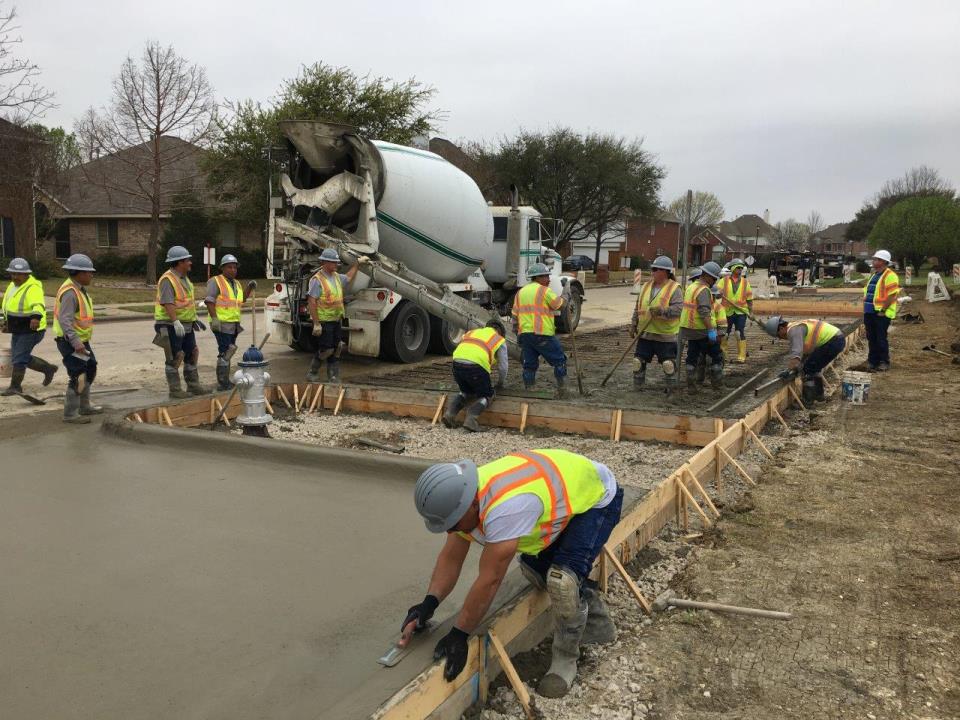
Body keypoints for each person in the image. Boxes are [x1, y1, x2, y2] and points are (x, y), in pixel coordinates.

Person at [406, 449, 623, 698]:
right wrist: (428, 603)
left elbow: (490, 579)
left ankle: (566, 658)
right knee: (535, 571)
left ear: (472, 504)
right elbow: (451, 558)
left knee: (562, 582)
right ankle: (597, 623)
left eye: (452, 524)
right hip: (563, 496)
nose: (450, 531)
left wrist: (459, 633)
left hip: (596, 498)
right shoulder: (465, 495)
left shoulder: (507, 508)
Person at [53, 254, 103, 423]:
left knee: (90, 368)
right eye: (89, 272)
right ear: (79, 273)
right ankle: (70, 414)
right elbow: (65, 320)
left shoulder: (78, 289)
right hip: (71, 342)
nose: (91, 275)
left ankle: (84, 406)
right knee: (78, 375)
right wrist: (76, 343)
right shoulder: (70, 292)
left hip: (80, 342)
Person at [154, 245, 207, 398]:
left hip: (187, 324)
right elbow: (168, 302)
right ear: (179, 262)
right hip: (170, 325)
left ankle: (193, 385)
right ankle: (175, 390)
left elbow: (186, 302)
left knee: (192, 353)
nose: (190, 262)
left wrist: (194, 318)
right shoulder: (167, 279)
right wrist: (176, 321)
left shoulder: (184, 279)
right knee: (175, 357)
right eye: (187, 260)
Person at [1, 258, 57, 395]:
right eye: (13, 273)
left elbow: (38, 304)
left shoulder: (33, 287)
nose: (15, 277)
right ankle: (48, 368)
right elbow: (8, 306)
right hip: (18, 328)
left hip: (31, 329)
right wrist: (6, 322)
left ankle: (15, 387)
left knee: (19, 358)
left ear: (26, 274)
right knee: (18, 356)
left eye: (18, 274)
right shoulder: (12, 286)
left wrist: (35, 318)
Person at [511, 263, 568, 397]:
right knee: (560, 360)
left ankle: (529, 390)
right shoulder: (543, 290)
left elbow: (515, 316)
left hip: (526, 335)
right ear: (537, 277)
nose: (548, 279)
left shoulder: (520, 292)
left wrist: (518, 335)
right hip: (542, 334)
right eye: (546, 276)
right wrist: (566, 294)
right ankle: (563, 390)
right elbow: (560, 305)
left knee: (529, 364)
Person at [442, 319, 508, 432]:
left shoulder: (472, 333)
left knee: (466, 391)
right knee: (487, 394)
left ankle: (449, 414)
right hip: (476, 367)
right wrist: (500, 383)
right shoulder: (499, 339)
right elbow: (503, 367)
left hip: (456, 364)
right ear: (500, 332)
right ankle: (471, 420)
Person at [306, 248, 359, 384]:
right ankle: (312, 372)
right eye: (333, 262)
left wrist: (357, 264)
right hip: (324, 321)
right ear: (325, 262)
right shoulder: (317, 280)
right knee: (327, 349)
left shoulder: (336, 277)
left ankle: (333, 376)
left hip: (336, 320)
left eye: (337, 262)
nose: (336, 265)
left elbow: (348, 277)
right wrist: (316, 323)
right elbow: (312, 301)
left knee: (337, 348)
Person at [629, 255, 682, 392]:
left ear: (665, 271)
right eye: (652, 269)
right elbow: (638, 307)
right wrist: (633, 323)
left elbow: (678, 309)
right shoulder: (646, 286)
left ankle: (670, 391)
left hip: (665, 336)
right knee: (637, 363)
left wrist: (662, 311)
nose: (652, 272)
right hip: (646, 334)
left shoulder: (674, 288)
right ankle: (638, 389)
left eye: (655, 269)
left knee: (668, 365)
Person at [763, 315, 845, 402]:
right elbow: (805, 352)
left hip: (833, 341)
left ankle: (808, 401)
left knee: (808, 370)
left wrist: (789, 370)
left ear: (781, 328)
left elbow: (796, 354)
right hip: (836, 339)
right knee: (813, 367)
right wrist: (798, 365)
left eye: (778, 335)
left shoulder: (793, 331)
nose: (780, 338)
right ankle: (819, 396)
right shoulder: (797, 326)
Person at [204, 254, 247, 391]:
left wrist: (250, 288)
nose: (233, 270)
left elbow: (241, 300)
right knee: (226, 351)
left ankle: (224, 381)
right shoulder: (215, 281)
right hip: (221, 323)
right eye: (229, 267)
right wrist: (214, 318)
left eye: (235, 267)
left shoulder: (237, 284)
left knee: (229, 351)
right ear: (222, 268)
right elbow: (209, 300)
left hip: (233, 323)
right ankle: (223, 383)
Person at [680, 261, 724, 390]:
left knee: (692, 356)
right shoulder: (704, 290)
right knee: (716, 356)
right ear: (708, 276)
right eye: (714, 278)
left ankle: (692, 387)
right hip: (702, 329)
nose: (715, 281)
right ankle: (718, 386)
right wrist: (711, 331)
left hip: (689, 329)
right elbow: (704, 312)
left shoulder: (692, 287)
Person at [863, 249, 899, 371]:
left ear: (883, 261)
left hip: (880, 313)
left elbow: (892, 295)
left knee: (880, 338)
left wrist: (883, 310)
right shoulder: (875, 274)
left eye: (876, 259)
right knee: (871, 338)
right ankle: (873, 361)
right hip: (869, 312)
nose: (873, 261)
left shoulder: (890, 276)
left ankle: (884, 361)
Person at [717, 258, 753, 363]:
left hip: (741, 312)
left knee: (738, 333)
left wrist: (751, 312)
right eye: (738, 267)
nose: (740, 269)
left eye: (741, 268)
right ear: (732, 268)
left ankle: (741, 356)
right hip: (726, 312)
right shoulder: (724, 281)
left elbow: (749, 299)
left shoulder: (746, 282)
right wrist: (718, 293)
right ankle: (724, 355)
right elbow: (716, 292)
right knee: (725, 334)